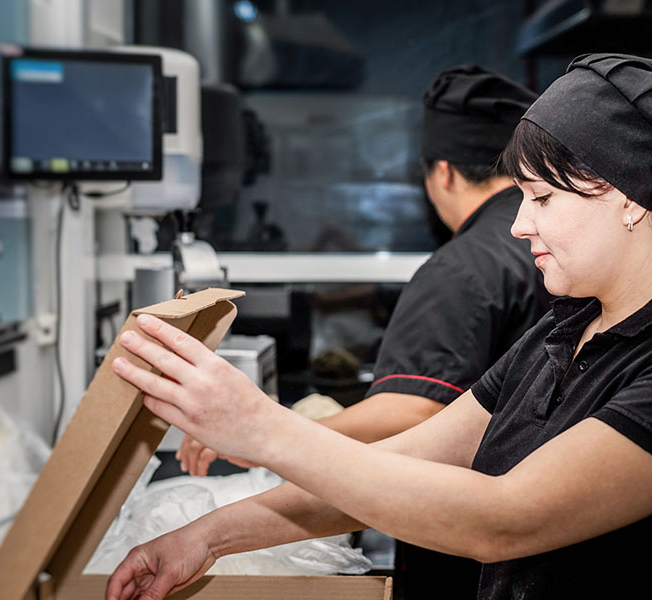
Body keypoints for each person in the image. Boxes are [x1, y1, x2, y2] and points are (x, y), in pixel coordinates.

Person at [108, 54, 652, 600]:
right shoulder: (561, 334)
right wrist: (204, 538)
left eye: (542, 199)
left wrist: (261, 429)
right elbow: (385, 471)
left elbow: (505, 519)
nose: (520, 225)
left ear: (629, 197)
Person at [175, 65, 549, 600]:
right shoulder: (548, 248)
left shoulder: (462, 267)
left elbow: (412, 411)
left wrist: (263, 434)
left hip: (466, 554)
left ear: (442, 172)